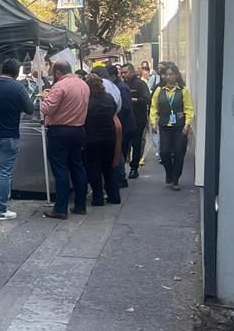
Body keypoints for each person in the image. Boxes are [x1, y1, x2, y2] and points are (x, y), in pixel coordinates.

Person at [0, 59, 36, 220]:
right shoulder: (18, 87)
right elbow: (30, 109)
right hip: (9, 135)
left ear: (3, 69)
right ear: (16, 73)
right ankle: (1, 208)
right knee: (4, 172)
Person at [39, 61, 89, 220]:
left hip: (60, 131)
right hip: (78, 130)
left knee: (60, 169)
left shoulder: (60, 86)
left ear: (58, 73)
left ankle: (61, 208)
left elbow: (47, 109)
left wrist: (44, 98)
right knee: (77, 167)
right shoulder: (83, 85)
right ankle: (80, 205)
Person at [150, 64, 194, 190]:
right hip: (164, 125)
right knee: (164, 152)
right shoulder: (159, 91)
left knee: (179, 152)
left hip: (179, 126)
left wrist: (187, 124)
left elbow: (188, 109)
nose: (168, 77)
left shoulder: (183, 90)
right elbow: (154, 108)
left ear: (176, 75)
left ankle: (175, 179)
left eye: (171, 74)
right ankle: (169, 173)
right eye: (166, 74)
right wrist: (153, 122)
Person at [83, 74, 120, 206]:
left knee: (94, 168)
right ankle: (114, 196)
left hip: (92, 138)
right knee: (108, 167)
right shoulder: (109, 98)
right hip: (109, 137)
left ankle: (97, 197)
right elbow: (115, 110)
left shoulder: (88, 102)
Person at [121, 63, 151, 179]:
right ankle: (121, 170)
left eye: (126, 72)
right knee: (124, 145)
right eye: (122, 73)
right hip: (125, 120)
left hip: (138, 119)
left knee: (136, 144)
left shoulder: (140, 84)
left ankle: (134, 168)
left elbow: (146, 99)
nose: (123, 75)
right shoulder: (122, 84)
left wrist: (132, 99)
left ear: (132, 72)